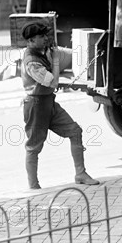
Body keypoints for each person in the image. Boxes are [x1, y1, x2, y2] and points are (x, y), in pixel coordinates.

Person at [20, 22, 99, 189]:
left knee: (75, 131)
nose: (46, 38)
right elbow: (53, 82)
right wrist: (56, 60)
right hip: (36, 106)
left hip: (48, 102)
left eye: (45, 35)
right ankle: (33, 186)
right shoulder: (32, 62)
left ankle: (80, 174)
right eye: (41, 37)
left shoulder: (41, 52)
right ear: (31, 40)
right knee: (33, 147)